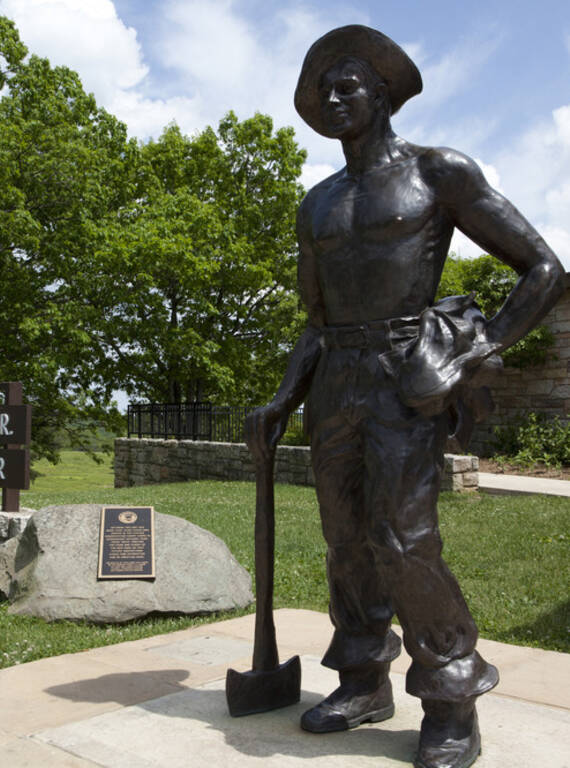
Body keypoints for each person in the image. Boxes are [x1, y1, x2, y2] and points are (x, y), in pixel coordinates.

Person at [245, 25, 565, 768]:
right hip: (336, 382)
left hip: (403, 377)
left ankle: (452, 696)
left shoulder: (438, 172)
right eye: (322, 90)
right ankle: (362, 677)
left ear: (383, 92)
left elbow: (542, 269)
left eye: (347, 84)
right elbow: (315, 323)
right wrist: (281, 398)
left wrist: (476, 354)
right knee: (346, 538)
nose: (333, 97)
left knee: (403, 537)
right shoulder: (317, 205)